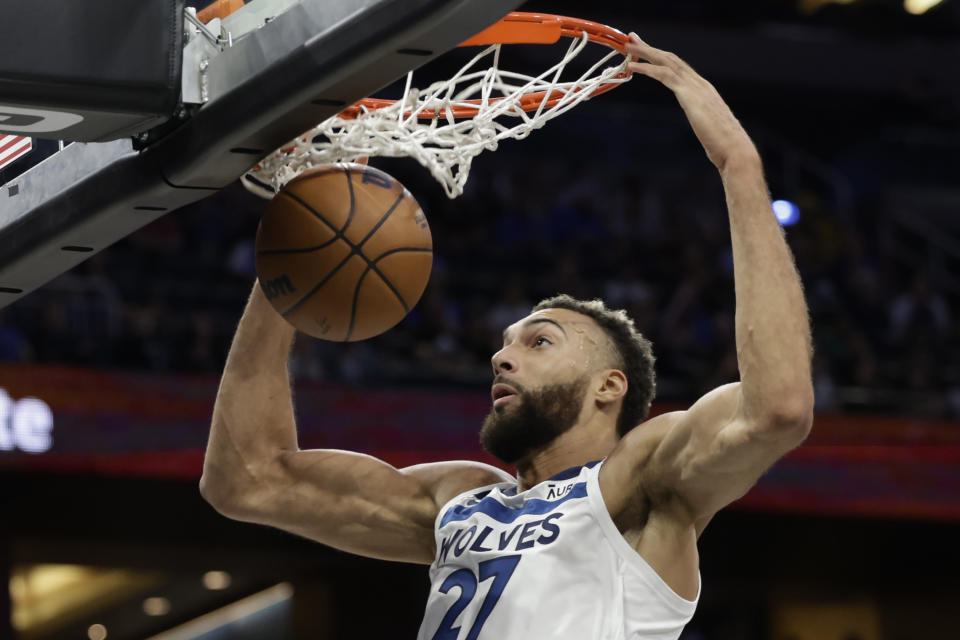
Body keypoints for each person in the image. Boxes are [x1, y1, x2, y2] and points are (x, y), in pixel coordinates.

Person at [200, 34, 814, 639]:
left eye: (538, 342)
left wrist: (739, 166)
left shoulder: (641, 485)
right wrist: (291, 268)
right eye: (507, 342)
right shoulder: (460, 500)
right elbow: (246, 479)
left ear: (609, 386)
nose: (501, 356)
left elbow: (777, 409)